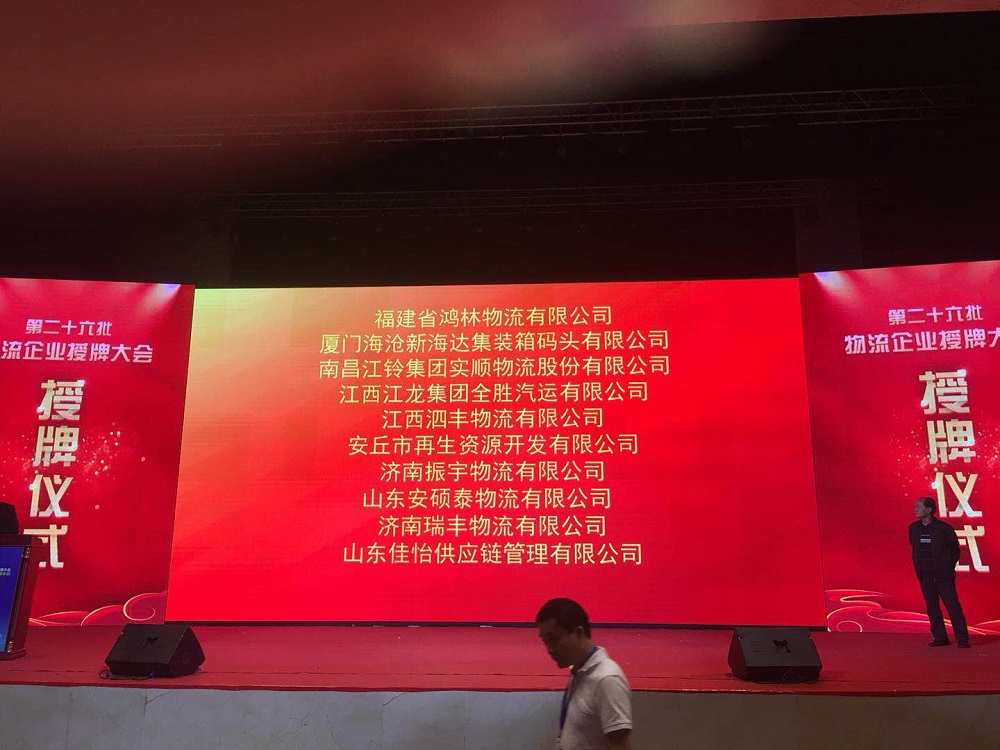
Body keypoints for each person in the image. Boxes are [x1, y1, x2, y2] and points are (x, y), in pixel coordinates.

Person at [536, 597, 632, 750]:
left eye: (554, 640)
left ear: (578, 633)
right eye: (545, 641)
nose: (550, 650)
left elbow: (620, 745)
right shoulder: (580, 672)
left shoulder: (607, 679)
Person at [909, 496, 970, 648]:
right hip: (925, 575)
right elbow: (914, 548)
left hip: (943, 575)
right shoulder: (913, 528)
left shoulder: (943, 528)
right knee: (932, 606)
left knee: (952, 606)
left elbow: (954, 550)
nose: (915, 509)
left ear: (929, 510)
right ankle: (940, 637)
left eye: (918, 507)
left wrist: (946, 566)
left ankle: (962, 639)